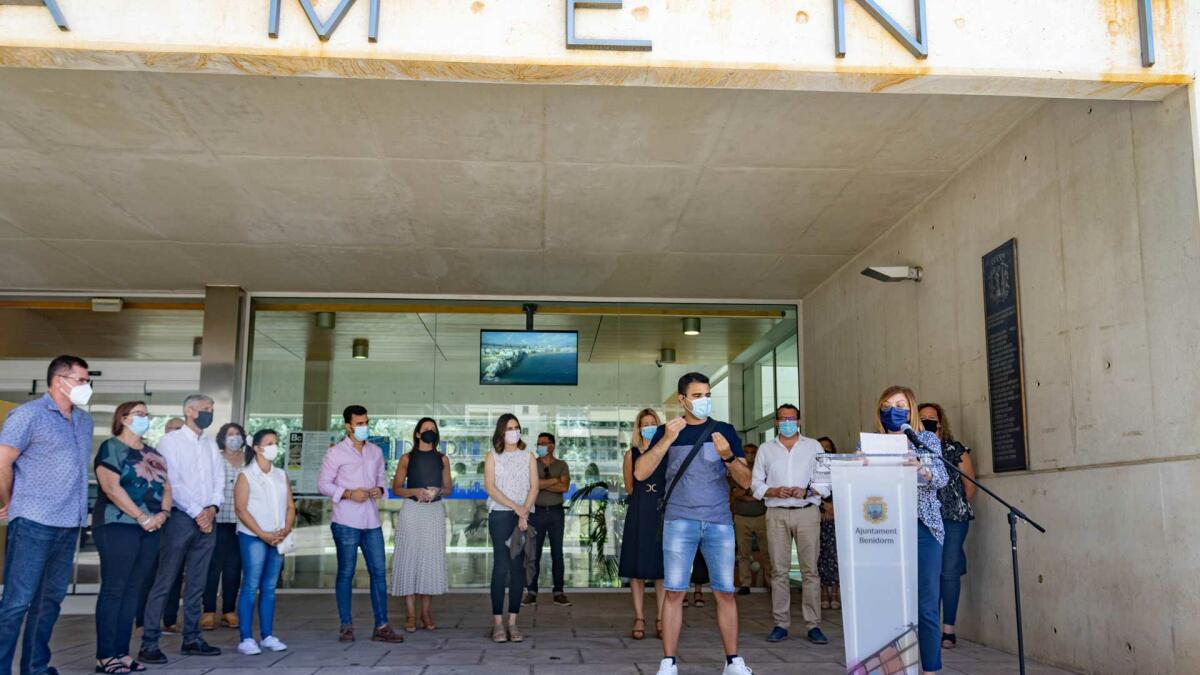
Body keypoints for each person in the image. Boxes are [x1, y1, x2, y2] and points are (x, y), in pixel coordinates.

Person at [635, 372, 753, 675]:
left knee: (725, 592)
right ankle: (669, 662)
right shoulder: (666, 431)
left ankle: (733, 662)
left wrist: (728, 456)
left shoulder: (724, 430)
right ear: (682, 400)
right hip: (679, 521)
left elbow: (747, 481)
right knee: (675, 591)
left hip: (719, 522)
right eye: (697, 395)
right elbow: (640, 473)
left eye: (707, 394)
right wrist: (666, 441)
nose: (704, 400)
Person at [0, 355, 94, 675]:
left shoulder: (84, 421)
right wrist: (10, 499)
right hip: (33, 520)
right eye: (81, 380)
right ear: (59, 381)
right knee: (16, 603)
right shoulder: (28, 415)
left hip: (69, 522)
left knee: (49, 602)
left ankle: (35, 668)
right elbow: (3, 461)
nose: (87, 386)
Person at [138, 394, 225, 664]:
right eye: (206, 409)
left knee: (197, 582)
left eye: (211, 409)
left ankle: (192, 638)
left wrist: (212, 508)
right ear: (190, 411)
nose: (209, 413)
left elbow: (218, 478)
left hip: (208, 518)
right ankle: (149, 642)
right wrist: (198, 511)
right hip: (180, 518)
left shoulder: (210, 444)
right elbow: (171, 481)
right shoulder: (170, 442)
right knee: (165, 580)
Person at [93, 400, 171, 674]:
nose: (145, 418)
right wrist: (141, 517)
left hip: (151, 528)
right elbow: (112, 488)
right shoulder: (111, 448)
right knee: (115, 589)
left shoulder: (153, 452)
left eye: (147, 415)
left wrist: (162, 514)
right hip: (118, 526)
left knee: (133, 591)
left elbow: (166, 486)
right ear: (123, 418)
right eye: (139, 414)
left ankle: (122, 653)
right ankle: (105, 656)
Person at [876, 386, 948, 675]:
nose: (894, 409)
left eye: (901, 404)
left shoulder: (926, 439)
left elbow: (941, 479)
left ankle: (930, 669)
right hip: (883, 531)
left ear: (912, 409)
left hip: (924, 529)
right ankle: (891, 669)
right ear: (880, 410)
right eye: (888, 404)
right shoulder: (870, 442)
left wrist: (922, 468)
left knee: (926, 607)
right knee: (888, 605)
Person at [317, 405, 403, 644]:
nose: (364, 427)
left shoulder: (375, 452)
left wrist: (380, 489)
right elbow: (323, 484)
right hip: (345, 521)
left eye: (366, 422)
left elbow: (382, 480)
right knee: (346, 572)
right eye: (359, 423)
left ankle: (382, 626)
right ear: (348, 426)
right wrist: (347, 494)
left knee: (378, 572)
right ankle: (346, 626)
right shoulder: (336, 453)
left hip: (371, 521)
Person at [751, 404, 830, 645]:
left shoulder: (814, 446)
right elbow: (755, 484)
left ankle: (813, 625)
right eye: (783, 418)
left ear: (799, 421)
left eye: (791, 418)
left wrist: (806, 491)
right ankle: (780, 623)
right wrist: (772, 490)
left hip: (807, 512)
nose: (787, 422)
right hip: (776, 512)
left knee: (810, 571)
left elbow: (826, 480)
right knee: (779, 571)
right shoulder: (766, 449)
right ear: (776, 422)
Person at [917, 403, 976, 651]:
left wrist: (956, 508)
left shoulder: (955, 449)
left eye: (933, 418)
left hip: (952, 519)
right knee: (928, 574)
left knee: (949, 572)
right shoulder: (914, 449)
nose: (929, 421)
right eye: (923, 419)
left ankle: (948, 629)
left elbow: (970, 485)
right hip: (924, 519)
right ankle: (928, 628)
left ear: (941, 422)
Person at [233, 429, 295, 655]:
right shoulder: (245, 474)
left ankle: (267, 635)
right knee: (251, 585)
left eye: (276, 443)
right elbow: (241, 509)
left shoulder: (280, 474)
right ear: (257, 448)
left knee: (269, 587)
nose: (274, 447)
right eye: (269, 443)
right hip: (253, 538)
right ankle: (246, 638)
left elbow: (290, 505)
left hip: (278, 537)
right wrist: (262, 533)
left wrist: (285, 529)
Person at [389, 417, 451, 633]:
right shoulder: (407, 458)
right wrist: (414, 491)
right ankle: (410, 614)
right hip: (412, 510)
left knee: (430, 558)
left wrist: (437, 491)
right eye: (425, 429)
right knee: (409, 557)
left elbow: (448, 488)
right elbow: (396, 487)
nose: (429, 432)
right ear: (417, 434)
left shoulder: (443, 459)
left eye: (433, 429)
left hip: (434, 510)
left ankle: (425, 612)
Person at [483, 413, 538, 644]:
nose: (513, 431)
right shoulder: (493, 456)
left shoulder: (529, 456)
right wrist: (517, 508)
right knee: (501, 567)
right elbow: (490, 487)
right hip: (500, 516)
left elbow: (535, 487)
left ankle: (513, 622)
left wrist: (524, 511)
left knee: (517, 569)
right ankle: (497, 624)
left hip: (523, 517)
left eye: (516, 427)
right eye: (509, 428)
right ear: (501, 432)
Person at [618, 408, 666, 641]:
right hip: (638, 513)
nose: (648, 426)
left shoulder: (667, 451)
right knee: (636, 570)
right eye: (644, 423)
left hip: (661, 514)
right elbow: (629, 486)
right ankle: (639, 618)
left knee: (661, 570)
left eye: (652, 422)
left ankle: (661, 618)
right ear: (638, 428)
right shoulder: (631, 454)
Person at [202, 423, 246, 631]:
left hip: (241, 522)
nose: (234, 438)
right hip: (217, 520)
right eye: (230, 434)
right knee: (213, 567)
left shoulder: (249, 460)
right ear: (222, 438)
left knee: (233, 568)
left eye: (238, 434)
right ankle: (208, 611)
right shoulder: (214, 458)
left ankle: (229, 611)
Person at [523, 432, 571, 607]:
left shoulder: (562, 465)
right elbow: (531, 485)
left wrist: (541, 484)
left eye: (544, 443)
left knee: (557, 553)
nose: (540, 446)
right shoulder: (532, 464)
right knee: (533, 554)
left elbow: (564, 486)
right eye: (538, 443)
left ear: (552, 446)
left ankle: (559, 591)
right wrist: (554, 481)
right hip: (536, 513)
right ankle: (531, 592)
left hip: (557, 513)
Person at [730, 443, 770, 595]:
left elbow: (764, 494)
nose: (750, 455)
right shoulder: (736, 470)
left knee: (767, 552)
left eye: (753, 452)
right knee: (743, 553)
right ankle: (745, 583)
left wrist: (746, 492)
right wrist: (751, 492)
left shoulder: (763, 471)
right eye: (747, 452)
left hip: (761, 517)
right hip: (741, 518)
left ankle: (771, 583)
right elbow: (736, 494)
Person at [815, 437, 840, 611]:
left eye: (828, 448)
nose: (826, 451)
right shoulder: (811, 469)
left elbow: (846, 489)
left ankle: (836, 591)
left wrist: (834, 507)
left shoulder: (840, 468)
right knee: (820, 554)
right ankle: (824, 590)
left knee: (837, 555)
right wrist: (825, 507)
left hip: (838, 518)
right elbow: (808, 489)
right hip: (818, 516)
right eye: (822, 448)